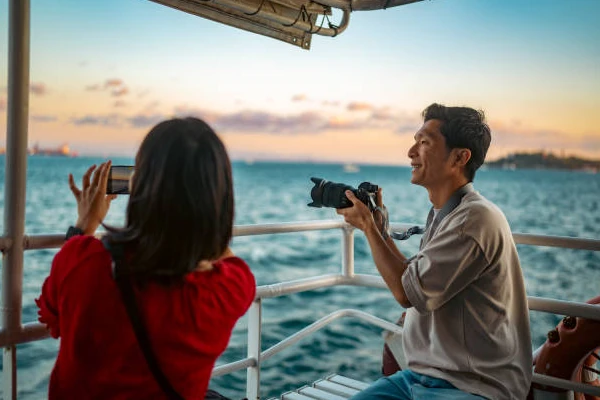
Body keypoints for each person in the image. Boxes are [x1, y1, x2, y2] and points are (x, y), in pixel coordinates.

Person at [36, 117, 256, 399]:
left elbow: (52, 317)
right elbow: (225, 256)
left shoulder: (82, 259)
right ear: (220, 198)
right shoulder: (229, 289)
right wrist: (206, 216)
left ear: (139, 184)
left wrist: (84, 225)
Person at [337, 104, 532, 399]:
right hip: (419, 377)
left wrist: (367, 226)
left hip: (473, 386)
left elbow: (406, 294)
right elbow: (413, 278)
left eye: (425, 142)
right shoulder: (448, 213)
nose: (411, 152)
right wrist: (378, 227)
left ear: (459, 157)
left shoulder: (474, 220)